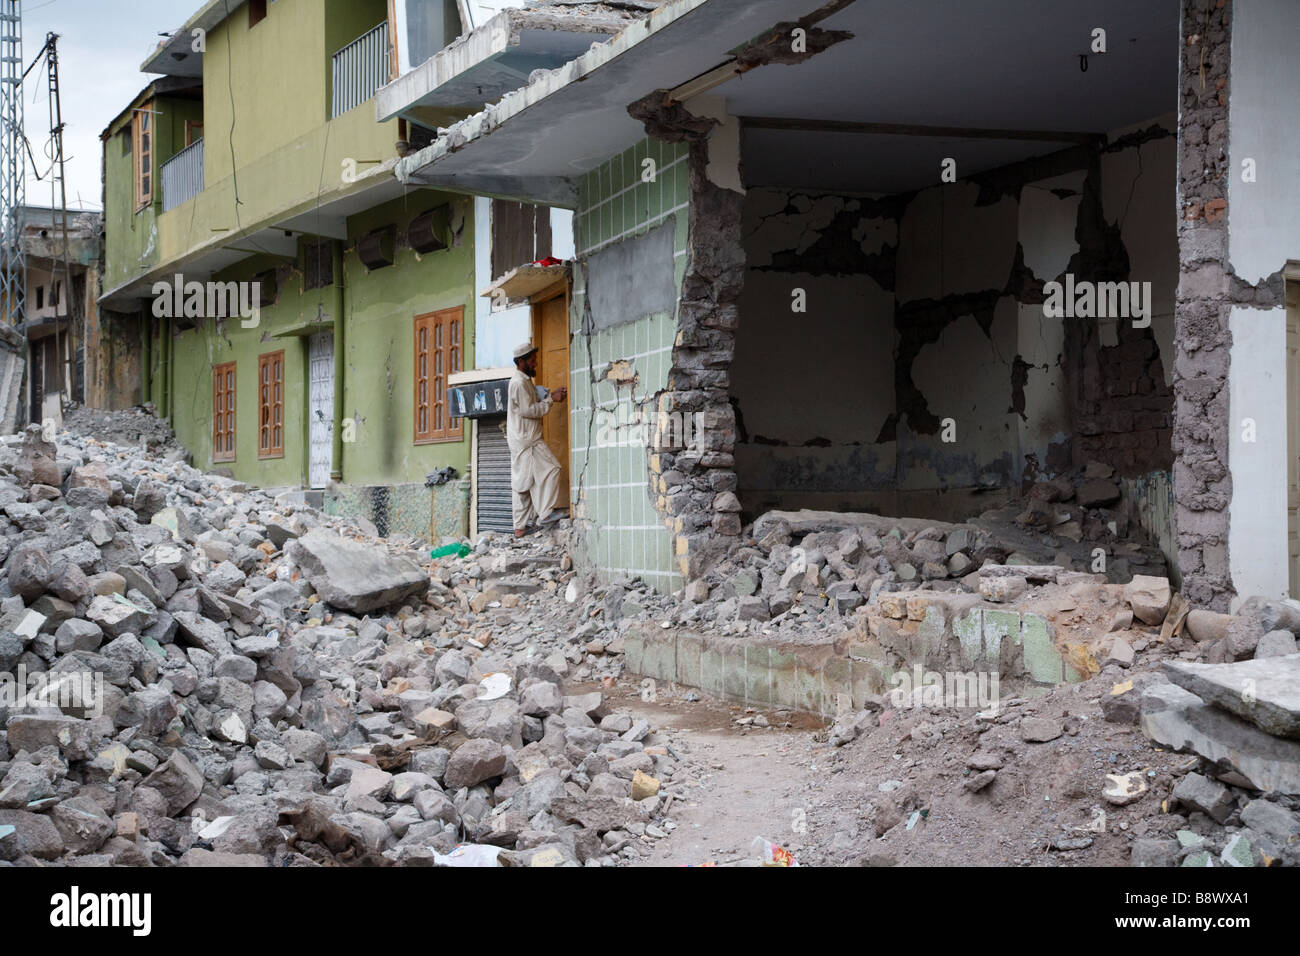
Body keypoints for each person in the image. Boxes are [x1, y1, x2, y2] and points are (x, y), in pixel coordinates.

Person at [507, 341, 567, 537]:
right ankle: (546, 513)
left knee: (523, 483)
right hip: (528, 440)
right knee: (552, 469)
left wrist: (547, 394)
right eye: (532, 361)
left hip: (523, 440)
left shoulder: (522, 381)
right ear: (521, 361)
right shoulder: (519, 383)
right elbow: (529, 410)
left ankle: (520, 527)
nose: (536, 364)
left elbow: (529, 403)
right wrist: (551, 400)